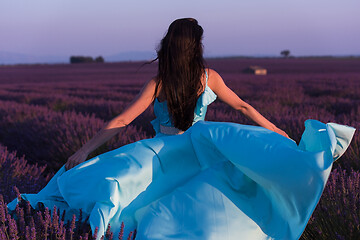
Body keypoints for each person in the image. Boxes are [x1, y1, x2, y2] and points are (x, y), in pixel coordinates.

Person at [9, 18, 355, 240]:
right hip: (199, 154)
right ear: (195, 47)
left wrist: (85, 151)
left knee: (123, 195)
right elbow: (243, 107)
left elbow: (122, 121)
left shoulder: (158, 82)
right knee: (206, 203)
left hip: (159, 154)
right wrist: (277, 132)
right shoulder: (209, 77)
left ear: (170, 46)